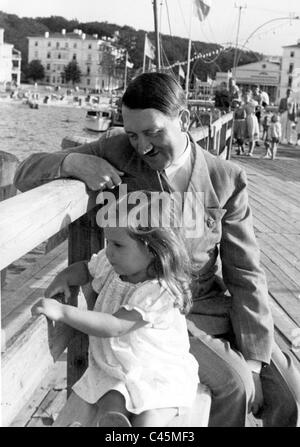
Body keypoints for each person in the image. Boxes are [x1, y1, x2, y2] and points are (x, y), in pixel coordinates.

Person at [14, 72, 300, 427]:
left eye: (153, 132)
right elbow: (24, 172)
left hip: (213, 303)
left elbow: (245, 273)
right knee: (235, 385)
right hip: (153, 312)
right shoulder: (117, 151)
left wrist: (255, 357)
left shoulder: (224, 178)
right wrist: (73, 163)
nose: (143, 147)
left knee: (291, 391)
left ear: (186, 119)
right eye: (133, 135)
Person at [32, 191, 199, 427]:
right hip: (118, 368)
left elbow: (116, 326)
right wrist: (63, 277)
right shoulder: (113, 266)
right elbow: (85, 269)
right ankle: (113, 422)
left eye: (118, 244)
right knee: (112, 395)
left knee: (148, 417)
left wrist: (63, 312)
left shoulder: (158, 292)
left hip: (157, 372)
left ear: (153, 249)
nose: (109, 251)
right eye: (108, 241)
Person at [243, 90, 260, 156]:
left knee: (252, 134)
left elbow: (258, 106)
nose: (245, 99)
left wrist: (255, 111)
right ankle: (243, 149)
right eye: (244, 97)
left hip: (251, 118)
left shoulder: (252, 103)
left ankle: (250, 151)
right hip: (246, 119)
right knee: (245, 134)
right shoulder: (244, 104)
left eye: (247, 97)